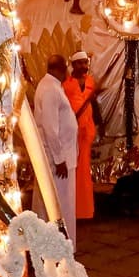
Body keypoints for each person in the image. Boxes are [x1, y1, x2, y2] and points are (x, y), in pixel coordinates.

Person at [33, 55, 80, 245]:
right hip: (58, 160)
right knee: (60, 203)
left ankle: (53, 245)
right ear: (61, 68)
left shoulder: (51, 86)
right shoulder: (50, 89)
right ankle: (58, 246)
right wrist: (59, 159)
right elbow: (50, 128)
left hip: (61, 156)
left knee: (56, 202)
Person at [64, 50, 98, 223]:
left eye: (86, 62)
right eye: (80, 63)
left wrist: (100, 124)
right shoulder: (66, 85)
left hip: (87, 132)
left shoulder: (91, 81)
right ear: (73, 65)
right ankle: (71, 209)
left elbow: (94, 104)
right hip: (72, 133)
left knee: (84, 172)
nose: (84, 66)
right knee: (74, 171)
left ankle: (84, 210)